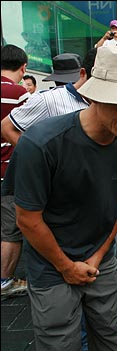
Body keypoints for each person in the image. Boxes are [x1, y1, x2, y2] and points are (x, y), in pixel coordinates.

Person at [1, 45, 117, 351]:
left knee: (111, 338)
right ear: (93, 95)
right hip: (51, 267)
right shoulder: (41, 144)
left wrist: (99, 254)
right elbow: (27, 218)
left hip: (100, 260)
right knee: (60, 346)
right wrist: (65, 266)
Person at [1, 44, 30, 300]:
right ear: (23, 67)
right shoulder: (19, 93)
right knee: (10, 229)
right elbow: (32, 131)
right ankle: (5, 280)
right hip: (6, 170)